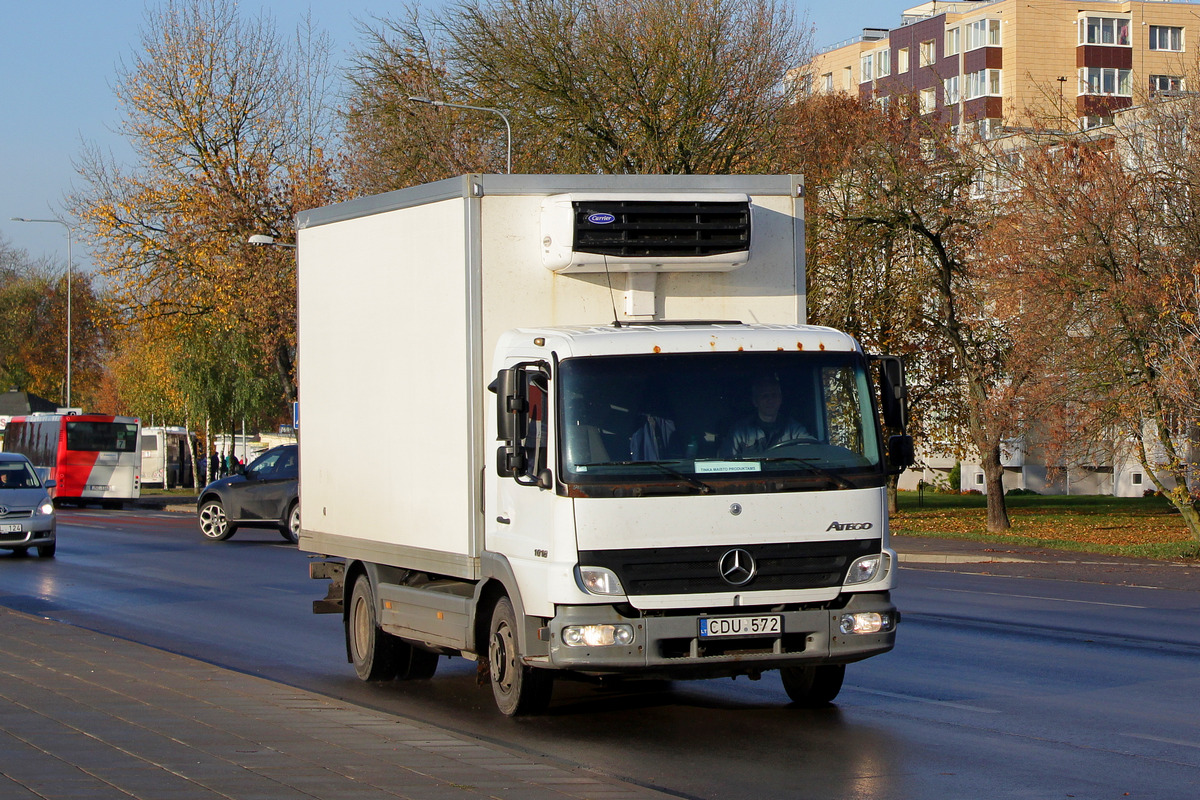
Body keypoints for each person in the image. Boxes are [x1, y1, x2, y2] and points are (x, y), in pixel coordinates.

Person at [721, 375, 812, 458]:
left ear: (780, 399)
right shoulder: (740, 432)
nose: (770, 400)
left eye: (774, 395)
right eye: (765, 396)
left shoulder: (794, 429)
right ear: (755, 401)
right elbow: (727, 463)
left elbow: (812, 450)